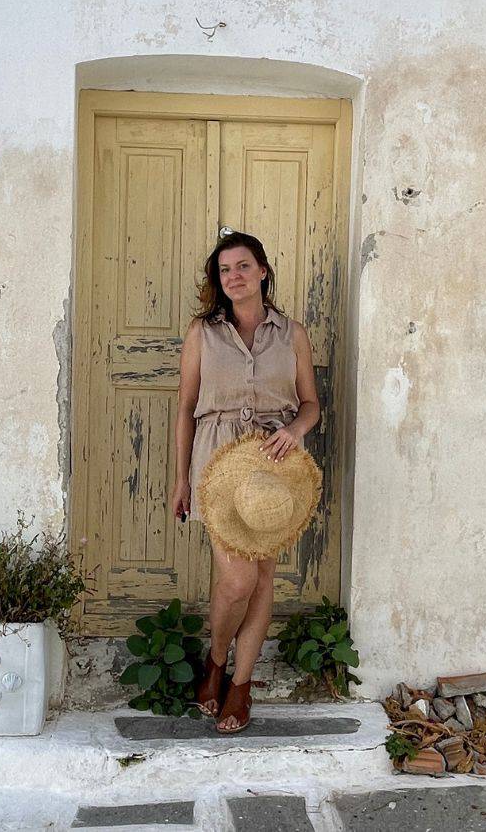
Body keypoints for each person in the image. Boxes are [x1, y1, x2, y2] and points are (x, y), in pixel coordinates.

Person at [170, 228, 321, 733]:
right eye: (224, 269)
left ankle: (240, 684)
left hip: (276, 468)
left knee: (262, 580)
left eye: (242, 266)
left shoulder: (292, 333)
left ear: (262, 271)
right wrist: (181, 481)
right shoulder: (202, 333)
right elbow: (186, 409)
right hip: (217, 465)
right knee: (238, 578)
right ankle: (216, 660)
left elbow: (311, 404)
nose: (233, 276)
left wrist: (297, 431)